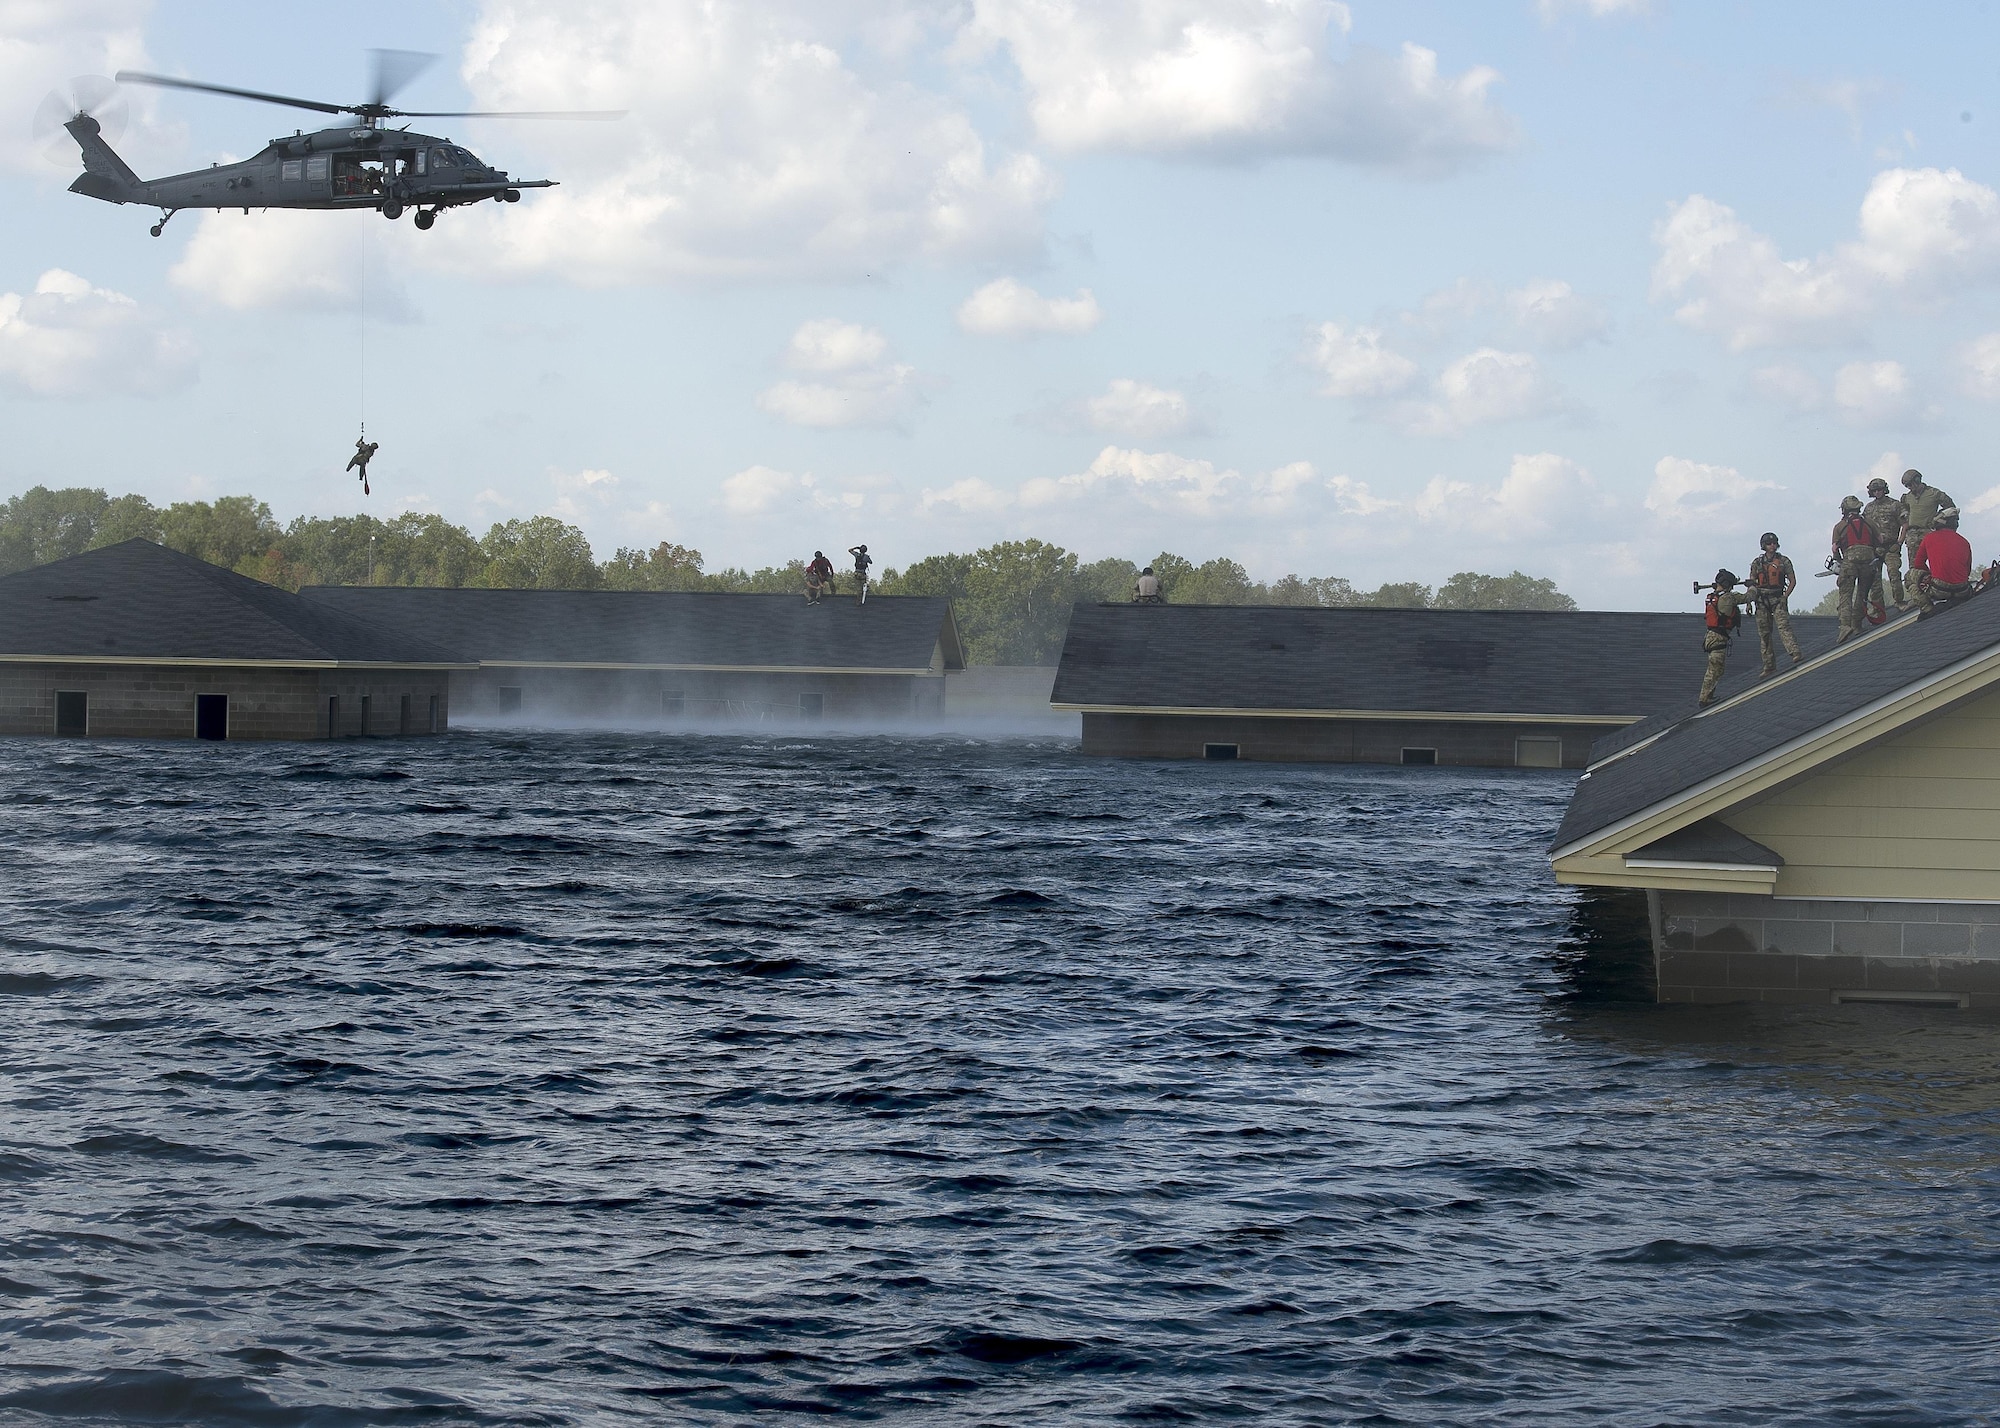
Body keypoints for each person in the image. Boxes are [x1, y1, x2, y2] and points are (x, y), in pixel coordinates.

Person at [1745, 532, 1802, 676]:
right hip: (1761, 600)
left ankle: (1795, 652)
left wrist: (1785, 596)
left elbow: (1792, 581)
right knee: (1764, 633)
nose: (1772, 546)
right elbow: (1751, 583)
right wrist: (1749, 602)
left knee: (1784, 626)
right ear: (1764, 546)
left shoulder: (1784, 561)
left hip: (1777, 598)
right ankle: (1769, 665)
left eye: (1774, 543)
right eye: (1769, 544)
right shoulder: (1757, 563)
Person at [1901, 468, 1956, 608]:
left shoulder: (1934, 493)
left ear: (1918, 480)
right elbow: (1904, 511)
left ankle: (1945, 587)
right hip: (1913, 534)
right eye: (1907, 486)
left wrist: (1939, 521)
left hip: (1930, 532)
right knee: (1915, 566)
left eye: (1911, 484)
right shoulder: (1907, 498)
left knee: (1937, 561)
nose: (1910, 488)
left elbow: (1950, 507)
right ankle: (1919, 595)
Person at [1832, 495, 1881, 643]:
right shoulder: (1869, 522)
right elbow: (1880, 540)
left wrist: (1839, 561)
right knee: (1862, 593)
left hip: (1849, 561)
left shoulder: (1839, 526)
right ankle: (1857, 624)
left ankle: (1845, 626)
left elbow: (1835, 548)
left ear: (1844, 509)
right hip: (1868, 561)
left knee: (1846, 594)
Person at [1913, 507, 1974, 616]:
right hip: (1963, 591)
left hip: (1939, 590)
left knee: (1911, 575)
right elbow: (1967, 570)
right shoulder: (1964, 541)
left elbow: (1918, 564)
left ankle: (1927, 608)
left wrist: (1929, 577)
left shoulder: (1929, 538)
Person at [1698, 569, 1743, 708]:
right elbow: (1748, 597)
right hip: (1718, 637)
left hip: (1711, 636)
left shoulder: (1712, 596)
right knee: (1715, 669)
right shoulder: (1728, 598)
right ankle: (1705, 697)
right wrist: (1753, 587)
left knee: (1717, 668)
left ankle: (1708, 695)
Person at [1862, 477, 1908, 606]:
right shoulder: (1868, 508)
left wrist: (1900, 542)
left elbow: (1905, 524)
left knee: (1894, 574)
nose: (1877, 492)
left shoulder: (1895, 505)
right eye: (1874, 490)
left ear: (1884, 490)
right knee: (1874, 580)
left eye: (1879, 489)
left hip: (1891, 546)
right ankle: (1878, 608)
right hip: (1874, 549)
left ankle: (1899, 601)